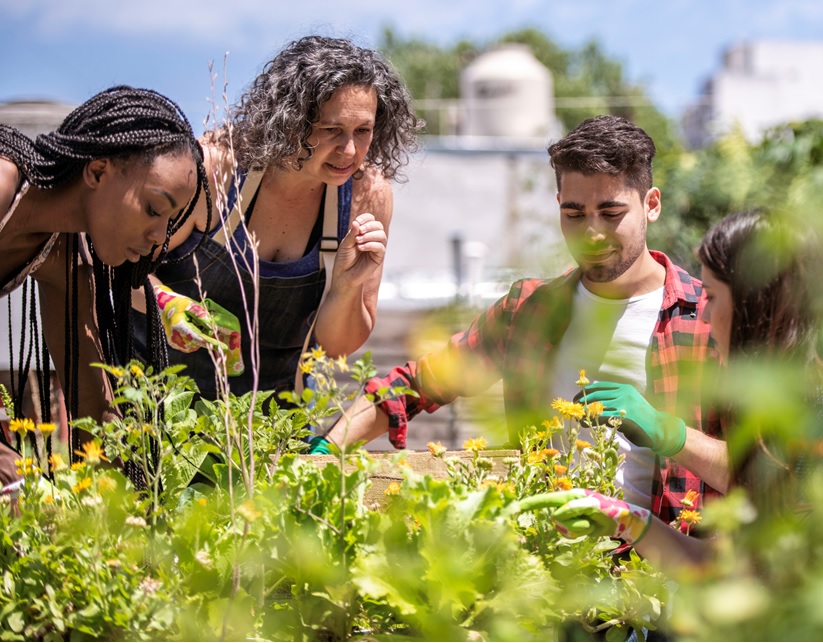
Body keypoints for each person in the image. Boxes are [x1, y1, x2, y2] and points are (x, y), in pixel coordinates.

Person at [324, 114, 723, 524]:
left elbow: (765, 476)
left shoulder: (708, 318)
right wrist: (323, 451)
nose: (591, 233)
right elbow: (415, 384)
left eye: (610, 213)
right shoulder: (529, 310)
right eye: (574, 214)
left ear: (651, 205)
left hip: (663, 576)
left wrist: (670, 434)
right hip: (551, 566)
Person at [522, 210, 823, 587]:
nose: (706, 317)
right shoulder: (786, 410)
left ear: (756, 303)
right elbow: (722, 565)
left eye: (712, 296)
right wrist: (623, 519)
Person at [132, 35, 421, 399]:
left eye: (362, 131)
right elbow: (116, 267)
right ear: (289, 120)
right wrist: (166, 304)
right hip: (159, 399)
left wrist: (347, 286)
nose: (349, 150)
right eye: (331, 130)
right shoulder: (215, 169)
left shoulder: (367, 195)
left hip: (273, 419)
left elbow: (336, 348)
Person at [0, 85, 210, 492]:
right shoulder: (3, 183)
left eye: (169, 222)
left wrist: (128, 505)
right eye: (153, 209)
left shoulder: (63, 251)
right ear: (97, 172)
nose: (157, 236)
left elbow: (93, 409)